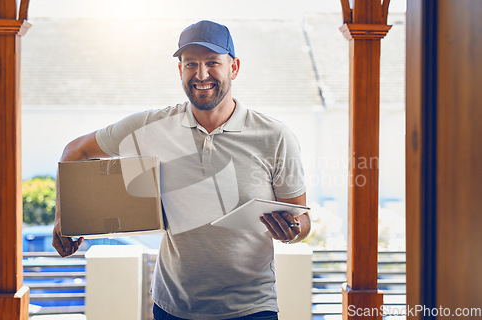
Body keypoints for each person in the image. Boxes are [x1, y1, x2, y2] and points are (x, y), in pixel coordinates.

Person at [53, 20, 311, 320]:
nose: (201, 74)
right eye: (191, 64)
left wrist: (292, 231)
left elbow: (301, 219)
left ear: (234, 68)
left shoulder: (275, 136)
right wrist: (64, 218)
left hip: (251, 308)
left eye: (213, 62)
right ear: (180, 70)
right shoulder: (152, 127)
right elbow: (76, 151)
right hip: (172, 309)